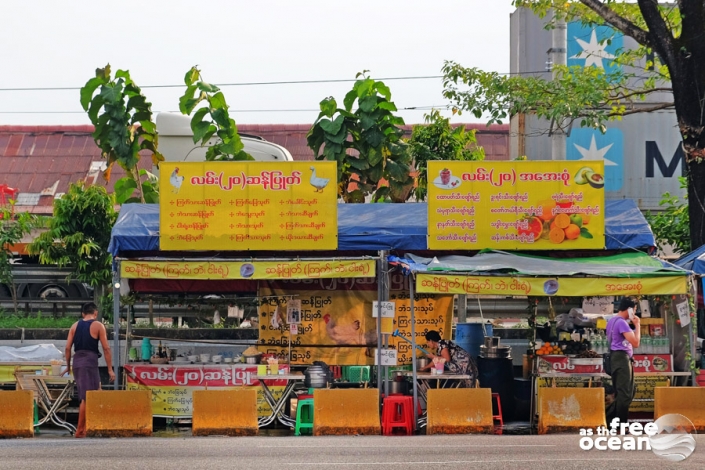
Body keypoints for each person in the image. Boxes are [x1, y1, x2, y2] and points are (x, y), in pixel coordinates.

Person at [64, 302, 115, 438]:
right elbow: (106, 348)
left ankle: (89, 426)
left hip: (77, 362)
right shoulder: (98, 325)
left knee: (95, 391)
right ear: (95, 313)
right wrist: (110, 369)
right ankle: (80, 430)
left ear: (82, 314)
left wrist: (68, 366)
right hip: (89, 362)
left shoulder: (74, 326)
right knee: (86, 397)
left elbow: (68, 348)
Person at [605, 297, 640, 426]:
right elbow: (636, 343)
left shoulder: (612, 321)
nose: (635, 313)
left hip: (617, 358)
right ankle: (620, 424)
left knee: (624, 392)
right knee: (625, 394)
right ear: (630, 309)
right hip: (621, 359)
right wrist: (637, 325)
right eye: (635, 310)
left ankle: (612, 420)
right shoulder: (621, 322)